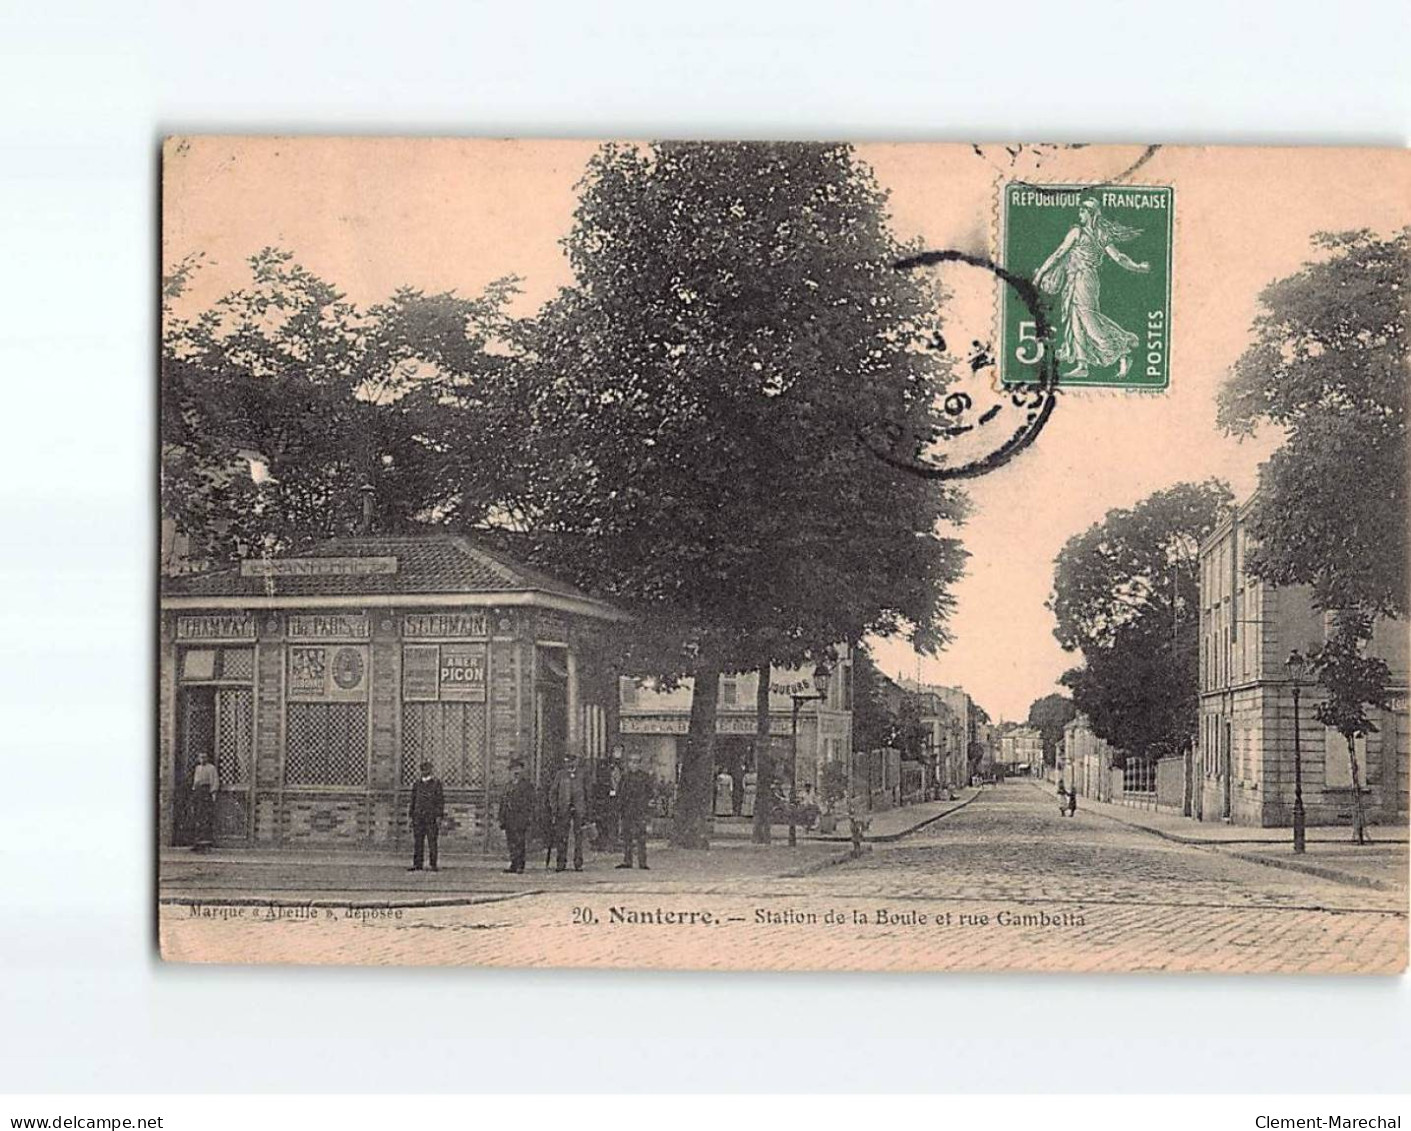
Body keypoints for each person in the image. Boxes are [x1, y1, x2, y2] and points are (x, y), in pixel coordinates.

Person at [1033, 198, 1150, 379]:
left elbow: (1058, 254)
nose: (1080, 214)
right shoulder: (1100, 234)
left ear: (1091, 213)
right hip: (1077, 279)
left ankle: (1123, 349)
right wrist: (1138, 267)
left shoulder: (1078, 232)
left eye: (1082, 211)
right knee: (1075, 320)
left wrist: (1040, 274)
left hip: (1084, 279)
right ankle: (1082, 364)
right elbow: (1119, 257)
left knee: (1089, 319)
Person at [549, 752, 589, 872]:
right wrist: (555, 807)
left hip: (578, 809)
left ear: (576, 761)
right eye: (568, 762)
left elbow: (588, 793)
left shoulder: (582, 775)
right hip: (563, 809)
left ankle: (578, 862)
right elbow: (553, 792)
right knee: (562, 837)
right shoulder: (560, 775)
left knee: (578, 837)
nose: (570, 764)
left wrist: (586, 808)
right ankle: (561, 862)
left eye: (572, 761)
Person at [498, 759, 537, 874]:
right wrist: (501, 818)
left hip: (520, 817)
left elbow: (530, 802)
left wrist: (528, 817)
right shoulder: (508, 786)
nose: (515, 772)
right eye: (513, 769)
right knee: (511, 842)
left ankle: (520, 864)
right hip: (509, 818)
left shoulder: (526, 786)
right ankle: (513, 863)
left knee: (520, 841)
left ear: (522, 770)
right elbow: (503, 803)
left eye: (518, 769)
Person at [616, 750, 653, 870]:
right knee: (627, 837)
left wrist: (646, 808)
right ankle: (627, 861)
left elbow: (650, 793)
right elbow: (620, 794)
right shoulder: (625, 777)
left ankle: (642, 862)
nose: (634, 764)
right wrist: (620, 809)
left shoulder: (645, 777)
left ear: (640, 764)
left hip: (640, 811)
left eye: (636, 762)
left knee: (641, 837)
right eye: (631, 761)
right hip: (627, 810)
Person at [408, 760, 445, 872]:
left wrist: (439, 816)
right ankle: (418, 863)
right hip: (418, 817)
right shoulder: (417, 784)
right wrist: (411, 816)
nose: (425, 772)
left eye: (427, 769)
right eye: (423, 770)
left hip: (431, 817)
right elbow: (413, 801)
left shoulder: (436, 784)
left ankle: (433, 864)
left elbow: (440, 801)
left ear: (430, 770)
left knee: (432, 841)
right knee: (418, 841)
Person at [190, 752, 219, 851]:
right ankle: (197, 843)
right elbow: (195, 781)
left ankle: (206, 844)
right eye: (200, 757)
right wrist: (194, 790)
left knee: (205, 817)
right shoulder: (197, 768)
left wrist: (213, 793)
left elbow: (214, 781)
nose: (202, 759)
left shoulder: (211, 768)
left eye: (204, 757)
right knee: (197, 817)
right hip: (198, 792)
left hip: (206, 793)